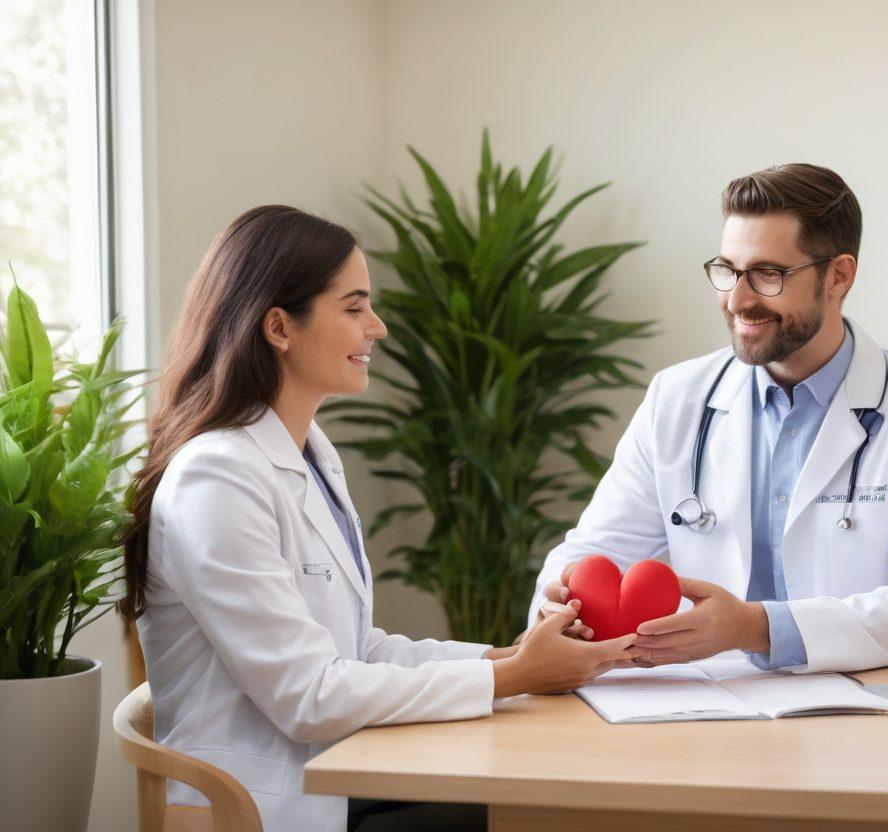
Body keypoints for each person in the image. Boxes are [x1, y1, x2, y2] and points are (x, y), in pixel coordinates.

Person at [118, 206, 634, 832]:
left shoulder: (310, 453)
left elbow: (358, 649)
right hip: (257, 806)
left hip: (331, 773)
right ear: (279, 327)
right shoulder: (216, 477)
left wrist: (508, 657)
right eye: (355, 306)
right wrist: (515, 677)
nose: (379, 328)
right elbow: (308, 696)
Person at [529, 164, 888, 673]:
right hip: (699, 711)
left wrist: (753, 628)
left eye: (768, 275)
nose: (737, 300)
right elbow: (595, 550)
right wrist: (559, 609)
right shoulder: (676, 398)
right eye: (727, 270)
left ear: (839, 275)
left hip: (857, 716)